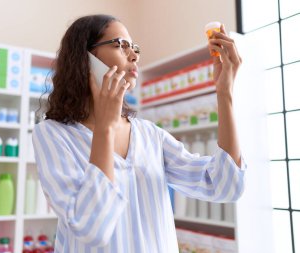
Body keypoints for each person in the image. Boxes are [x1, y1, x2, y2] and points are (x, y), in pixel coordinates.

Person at [32, 14, 246, 253]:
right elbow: (90, 227)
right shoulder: (52, 134)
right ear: (84, 58)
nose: (133, 55)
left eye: (134, 48)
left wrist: (224, 93)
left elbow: (224, 185)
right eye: (120, 45)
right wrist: (105, 128)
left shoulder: (149, 134)